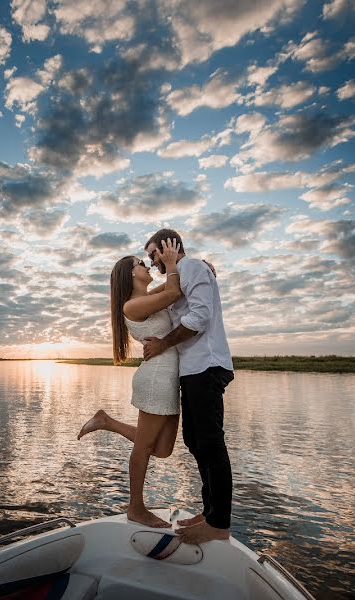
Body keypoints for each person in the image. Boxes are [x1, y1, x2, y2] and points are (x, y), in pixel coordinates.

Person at [77, 239, 184, 528]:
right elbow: (173, 289)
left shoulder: (147, 297)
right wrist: (172, 264)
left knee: (162, 450)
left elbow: (173, 286)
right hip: (156, 380)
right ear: (130, 274)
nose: (147, 265)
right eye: (140, 263)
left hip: (169, 378)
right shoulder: (132, 306)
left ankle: (107, 421)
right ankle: (135, 507)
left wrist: (196, 270)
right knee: (144, 448)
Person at [142, 228, 234, 545]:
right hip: (192, 370)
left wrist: (164, 344)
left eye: (154, 253)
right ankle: (210, 514)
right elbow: (156, 297)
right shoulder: (177, 277)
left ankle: (219, 524)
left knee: (210, 443)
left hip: (207, 365)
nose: (152, 261)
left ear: (170, 246)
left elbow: (200, 317)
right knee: (195, 441)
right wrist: (166, 272)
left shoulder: (192, 267)